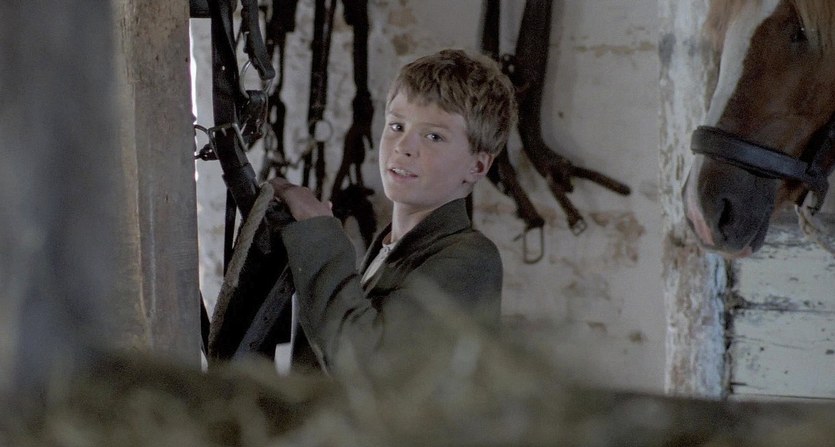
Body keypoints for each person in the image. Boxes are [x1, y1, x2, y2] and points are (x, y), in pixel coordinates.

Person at [269, 48, 517, 376]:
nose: (403, 146)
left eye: (433, 136)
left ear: (477, 166)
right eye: (397, 126)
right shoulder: (388, 251)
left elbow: (369, 369)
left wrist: (320, 234)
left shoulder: (471, 260)